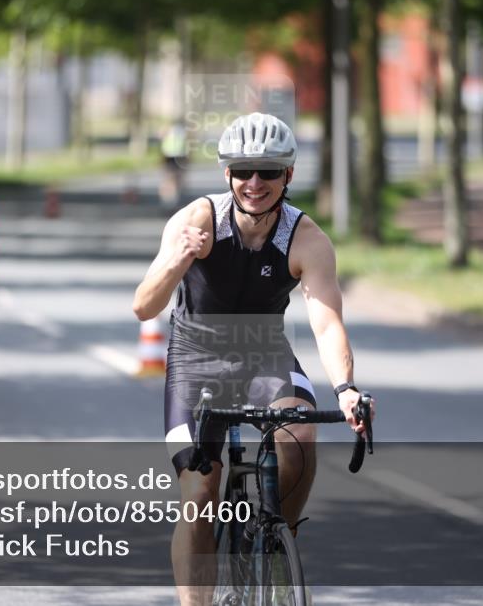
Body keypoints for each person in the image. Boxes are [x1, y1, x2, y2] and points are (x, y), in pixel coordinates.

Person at [132, 112, 375, 605]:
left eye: (268, 171)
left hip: (265, 354)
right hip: (196, 357)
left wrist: (346, 388)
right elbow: (144, 306)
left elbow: (326, 322)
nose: (255, 183)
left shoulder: (306, 239)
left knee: (301, 431)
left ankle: (274, 538)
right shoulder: (197, 220)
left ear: (289, 174)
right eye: (243, 171)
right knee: (200, 497)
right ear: (227, 175)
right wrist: (180, 259)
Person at [159, 121, 187, 212]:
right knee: (176, 180)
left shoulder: (168, 131)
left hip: (169, 157)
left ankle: (168, 200)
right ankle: (172, 200)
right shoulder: (183, 132)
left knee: (169, 179)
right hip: (178, 157)